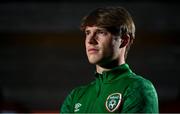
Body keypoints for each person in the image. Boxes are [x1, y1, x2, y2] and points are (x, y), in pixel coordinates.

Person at [60, 6, 159, 113]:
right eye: (88, 32)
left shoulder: (138, 89)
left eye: (101, 32)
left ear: (124, 40)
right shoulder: (76, 97)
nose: (90, 40)